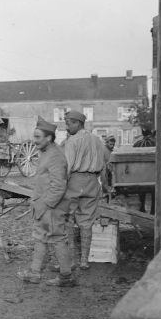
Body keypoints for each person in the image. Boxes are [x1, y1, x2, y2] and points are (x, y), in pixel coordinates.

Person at [18, 117, 75, 287]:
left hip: (51, 208)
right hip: (43, 207)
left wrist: (46, 205)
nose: (34, 141)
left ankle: (66, 277)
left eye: (37, 137)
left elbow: (58, 187)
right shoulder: (46, 153)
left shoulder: (56, 156)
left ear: (49, 138)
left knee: (57, 238)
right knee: (40, 238)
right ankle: (35, 273)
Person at [62, 110, 106, 270]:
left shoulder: (72, 141)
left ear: (77, 123)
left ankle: (72, 260)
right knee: (86, 222)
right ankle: (84, 261)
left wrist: (60, 187)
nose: (67, 128)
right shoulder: (96, 140)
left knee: (68, 220)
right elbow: (104, 165)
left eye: (68, 124)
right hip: (92, 182)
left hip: (75, 181)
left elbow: (66, 166)